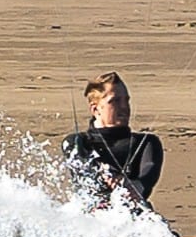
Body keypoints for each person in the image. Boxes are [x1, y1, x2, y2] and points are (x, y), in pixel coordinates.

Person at [63, 70, 163, 211]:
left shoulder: (147, 142)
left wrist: (135, 186)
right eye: (115, 101)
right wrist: (105, 174)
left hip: (136, 219)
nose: (124, 107)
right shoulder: (76, 142)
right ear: (95, 109)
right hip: (92, 219)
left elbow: (149, 171)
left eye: (126, 100)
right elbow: (84, 173)